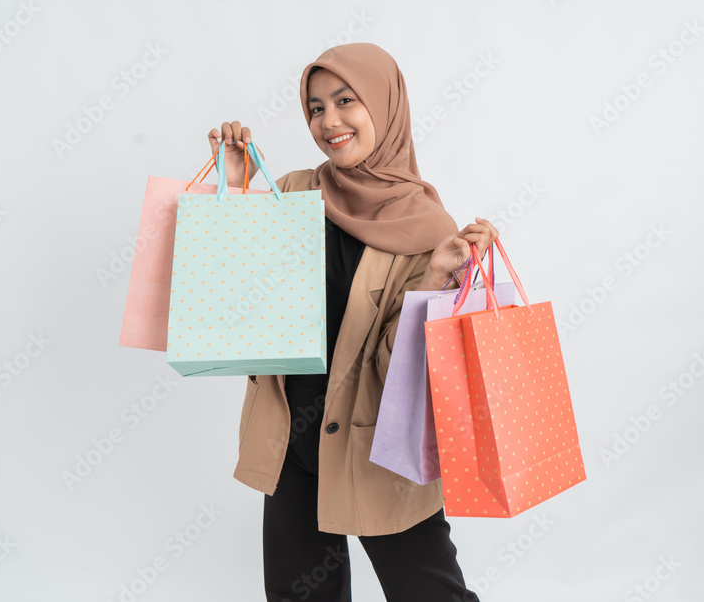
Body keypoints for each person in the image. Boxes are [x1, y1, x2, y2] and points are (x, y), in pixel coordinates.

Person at [208, 43, 496, 601]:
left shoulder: (429, 228)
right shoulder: (291, 193)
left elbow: (398, 372)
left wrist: (433, 280)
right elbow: (238, 304)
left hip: (378, 451)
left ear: (384, 106)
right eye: (315, 107)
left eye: (346, 100)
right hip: (291, 446)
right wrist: (236, 191)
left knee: (431, 593)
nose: (329, 121)